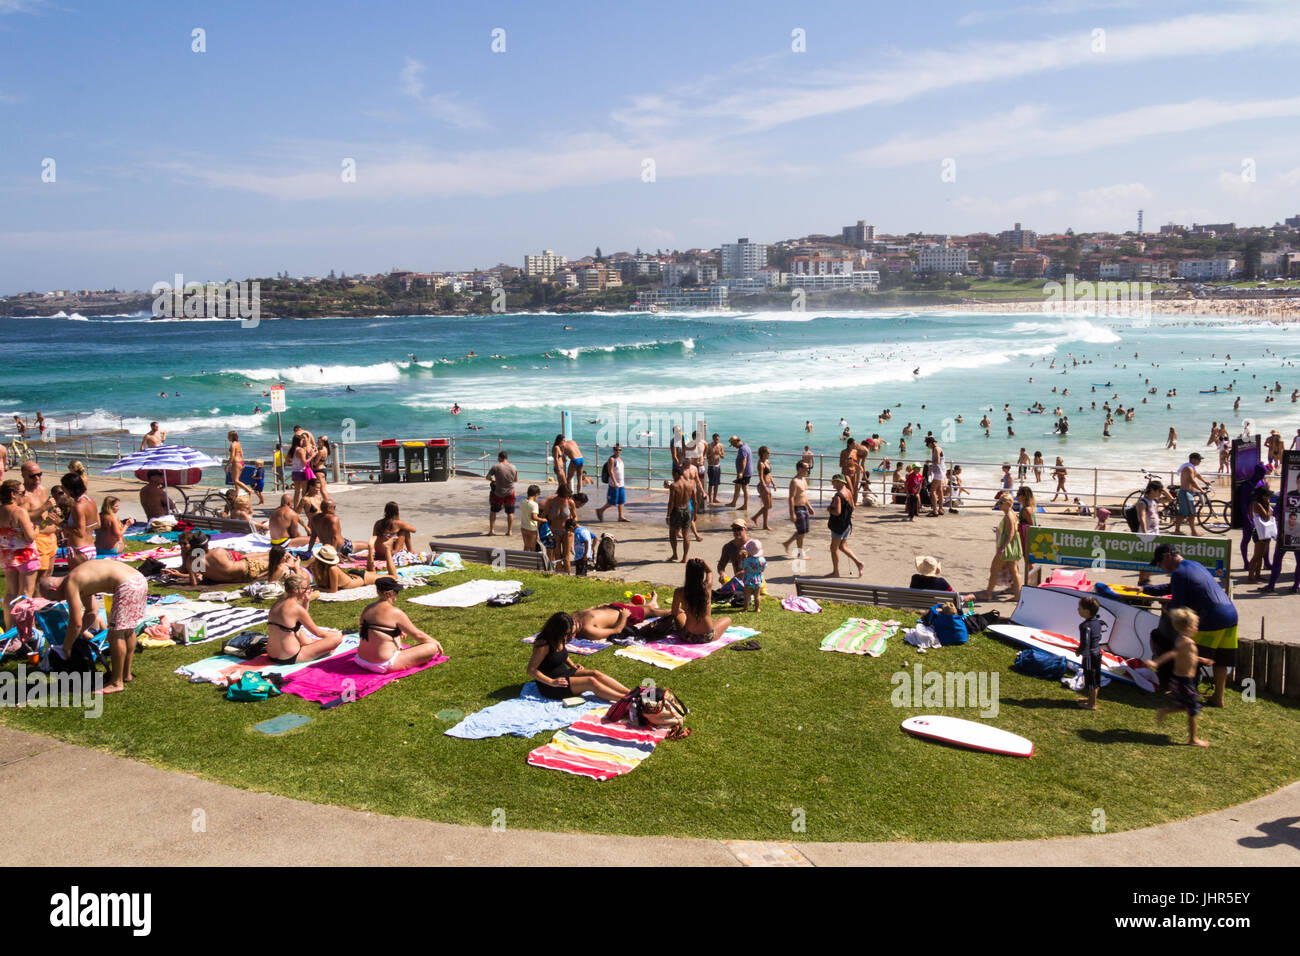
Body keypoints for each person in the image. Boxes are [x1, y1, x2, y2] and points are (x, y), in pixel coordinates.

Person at [1143, 543, 1238, 708]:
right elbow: (1170, 588)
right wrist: (1143, 589)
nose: (1160, 567)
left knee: (1189, 655)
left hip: (1211, 619)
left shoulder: (1179, 573)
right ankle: (1218, 697)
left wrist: (1167, 610)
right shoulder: (1195, 565)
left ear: (1168, 556)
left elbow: (1177, 606)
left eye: (1159, 563)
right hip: (1230, 614)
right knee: (1221, 660)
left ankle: (1187, 695)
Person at [41, 560, 147, 694]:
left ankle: (116, 682)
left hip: (126, 585)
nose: (57, 601)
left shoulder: (70, 583)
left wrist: (67, 646)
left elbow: (76, 622)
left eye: (53, 599)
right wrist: (80, 634)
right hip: (139, 579)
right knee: (127, 629)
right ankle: (126, 674)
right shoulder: (79, 577)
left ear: (52, 589)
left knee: (116, 633)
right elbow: (91, 612)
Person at [1143, 607, 1213, 747]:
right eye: (1195, 625)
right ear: (1188, 627)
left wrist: (1201, 659)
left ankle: (1164, 711)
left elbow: (1188, 655)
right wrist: (1156, 662)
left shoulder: (1181, 639)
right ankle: (1193, 739)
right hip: (1184, 681)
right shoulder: (1186, 642)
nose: (1197, 628)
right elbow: (1173, 654)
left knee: (1185, 706)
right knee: (1193, 709)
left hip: (1180, 680)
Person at [527, 611, 629, 701]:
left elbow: (562, 655)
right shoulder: (543, 645)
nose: (570, 637)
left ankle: (629, 693)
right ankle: (626, 700)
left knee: (595, 673)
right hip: (552, 685)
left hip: (564, 673)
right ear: (556, 630)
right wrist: (551, 682)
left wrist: (572, 666)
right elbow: (531, 670)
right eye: (567, 634)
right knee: (591, 682)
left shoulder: (560, 638)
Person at [357, 576, 444, 673]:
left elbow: (370, 630)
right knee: (431, 647)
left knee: (394, 633)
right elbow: (417, 635)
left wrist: (396, 632)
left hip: (361, 660)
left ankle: (396, 646)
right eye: (396, 592)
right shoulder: (395, 612)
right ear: (390, 594)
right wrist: (435, 643)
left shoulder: (367, 609)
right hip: (382, 664)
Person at [266, 571, 345, 664]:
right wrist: (334, 636)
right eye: (306, 588)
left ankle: (313, 647)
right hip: (290, 656)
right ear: (295, 590)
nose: (308, 590)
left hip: (272, 653)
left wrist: (306, 600)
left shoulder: (277, 604)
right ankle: (317, 648)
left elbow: (299, 621)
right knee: (337, 638)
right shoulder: (296, 608)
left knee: (299, 631)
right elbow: (318, 633)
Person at [0, 479, 39, 629]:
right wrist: (37, 528)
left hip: (6, 555)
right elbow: (29, 537)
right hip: (25, 555)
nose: (24, 495)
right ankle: (27, 630)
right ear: (12, 494)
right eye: (22, 493)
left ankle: (11, 628)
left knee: (10, 593)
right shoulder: (19, 512)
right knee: (26, 594)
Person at [670, 558, 732, 642]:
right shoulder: (707, 588)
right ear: (701, 574)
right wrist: (703, 562)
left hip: (688, 636)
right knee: (727, 619)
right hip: (707, 636)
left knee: (679, 614)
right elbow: (709, 572)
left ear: (687, 573)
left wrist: (682, 611)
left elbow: (674, 613)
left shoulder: (679, 592)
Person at [19, 461, 58, 583]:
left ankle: (44, 601)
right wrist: (44, 507)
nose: (37, 478)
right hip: (38, 538)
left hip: (51, 536)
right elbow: (22, 517)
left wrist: (53, 512)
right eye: (32, 476)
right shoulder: (23, 495)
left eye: (39, 474)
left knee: (49, 575)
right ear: (23, 476)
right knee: (40, 579)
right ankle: (36, 601)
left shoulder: (42, 489)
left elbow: (44, 513)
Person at [572, 595, 672, 641]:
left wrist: (598, 607)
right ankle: (677, 610)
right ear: (572, 636)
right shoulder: (588, 630)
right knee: (652, 612)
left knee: (638, 607)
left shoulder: (572, 617)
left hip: (610, 607)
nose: (576, 623)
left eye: (573, 623)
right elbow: (616, 630)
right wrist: (624, 617)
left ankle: (653, 603)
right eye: (574, 627)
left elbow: (589, 610)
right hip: (622, 614)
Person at [982, 494, 1023, 602]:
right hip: (1013, 547)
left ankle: (988, 594)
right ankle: (1018, 596)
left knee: (994, 569)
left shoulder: (1009, 516)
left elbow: (1011, 533)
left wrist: (1002, 548)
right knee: (1014, 572)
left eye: (1001, 502)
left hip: (1007, 547)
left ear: (1008, 504)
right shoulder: (1013, 513)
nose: (998, 504)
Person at [826, 474, 864, 578]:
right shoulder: (848, 492)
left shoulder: (838, 496)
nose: (833, 485)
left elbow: (837, 512)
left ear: (839, 482)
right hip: (847, 523)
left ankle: (836, 572)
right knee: (842, 546)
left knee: (833, 548)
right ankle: (858, 564)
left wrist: (830, 509)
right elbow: (853, 507)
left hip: (839, 525)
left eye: (834, 482)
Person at [1076, 596, 1108, 711]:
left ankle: (1091, 704)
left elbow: (1085, 643)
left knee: (1090, 679)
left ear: (1087, 611)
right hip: (1097, 653)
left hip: (1089, 655)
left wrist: (1078, 651)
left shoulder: (1085, 626)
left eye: (1079, 608)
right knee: (1096, 677)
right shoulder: (1098, 622)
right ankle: (1090, 699)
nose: (1077, 609)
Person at [60, 472, 99, 568]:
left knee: (75, 581)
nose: (63, 490)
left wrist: (61, 524)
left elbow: (80, 533)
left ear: (70, 489)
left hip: (78, 549)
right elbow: (98, 524)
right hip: (90, 547)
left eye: (63, 488)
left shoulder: (78, 506)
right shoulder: (91, 502)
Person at [371, 502, 416, 576]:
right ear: (397, 512)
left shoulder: (378, 523)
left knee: (400, 530)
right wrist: (399, 519)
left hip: (379, 553)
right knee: (404, 530)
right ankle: (411, 550)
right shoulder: (397, 523)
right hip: (391, 553)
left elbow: (374, 537)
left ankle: (410, 550)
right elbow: (414, 530)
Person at [1174, 452, 1212, 537]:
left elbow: (1198, 475)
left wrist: (1205, 481)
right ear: (1193, 459)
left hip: (1186, 493)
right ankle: (1194, 532)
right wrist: (1201, 490)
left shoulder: (1191, 468)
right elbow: (1192, 481)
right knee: (1192, 514)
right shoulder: (1188, 468)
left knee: (1182, 513)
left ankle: (1177, 530)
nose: (1200, 462)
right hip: (1186, 494)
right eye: (1199, 460)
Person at [782, 459, 814, 557]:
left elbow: (803, 495)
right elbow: (791, 497)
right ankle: (800, 554)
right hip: (797, 509)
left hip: (804, 507)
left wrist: (809, 507)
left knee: (803, 531)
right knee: (801, 533)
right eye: (806, 468)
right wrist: (792, 513)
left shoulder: (803, 480)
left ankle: (787, 543)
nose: (808, 470)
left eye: (808, 468)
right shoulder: (794, 481)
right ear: (800, 469)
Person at [486, 450, 518, 536]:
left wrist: (494, 480)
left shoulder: (496, 467)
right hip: (510, 492)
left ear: (500, 458)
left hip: (498, 492)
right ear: (506, 458)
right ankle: (509, 531)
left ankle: (492, 530)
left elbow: (488, 477)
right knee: (510, 512)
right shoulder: (513, 467)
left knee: (493, 511)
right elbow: (516, 480)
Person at [1247, 485, 1275, 583]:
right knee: (1257, 556)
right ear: (1262, 496)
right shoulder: (1257, 504)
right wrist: (1267, 506)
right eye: (1267, 496)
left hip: (1264, 532)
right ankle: (1251, 576)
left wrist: (1268, 507)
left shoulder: (1259, 504)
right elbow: (1267, 517)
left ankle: (1258, 575)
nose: (1268, 498)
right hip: (1260, 533)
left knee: (1261, 555)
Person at [666, 465, 693, 563]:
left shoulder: (674, 485)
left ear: (677, 473)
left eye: (673, 474)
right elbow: (695, 501)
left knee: (672, 534)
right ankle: (685, 557)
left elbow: (671, 502)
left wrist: (668, 515)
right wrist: (695, 513)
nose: (673, 476)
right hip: (687, 510)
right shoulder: (690, 484)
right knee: (686, 535)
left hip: (677, 510)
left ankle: (675, 554)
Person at [226, 430, 260, 505]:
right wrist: (242, 463)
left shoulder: (233, 445)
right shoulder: (238, 443)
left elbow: (231, 457)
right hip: (241, 462)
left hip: (236, 462)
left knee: (235, 480)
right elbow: (241, 453)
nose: (227, 437)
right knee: (236, 481)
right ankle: (237, 495)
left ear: (231, 437)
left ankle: (248, 490)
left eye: (228, 436)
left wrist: (227, 465)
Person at [596, 444, 628, 522]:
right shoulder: (612, 459)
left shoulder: (620, 459)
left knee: (621, 501)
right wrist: (615, 482)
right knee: (611, 502)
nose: (618, 451)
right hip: (614, 484)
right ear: (613, 450)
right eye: (616, 450)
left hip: (621, 484)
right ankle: (600, 510)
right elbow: (610, 471)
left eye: (620, 450)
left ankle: (621, 516)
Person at [727, 435, 754, 511]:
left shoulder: (743, 449)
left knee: (745, 489)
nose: (734, 447)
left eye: (734, 444)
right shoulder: (745, 446)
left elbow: (744, 460)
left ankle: (745, 506)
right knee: (737, 487)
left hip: (744, 473)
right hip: (744, 472)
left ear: (736, 441)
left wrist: (741, 472)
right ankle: (733, 503)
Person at [751, 445, 775, 531]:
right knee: (767, 506)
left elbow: (769, 474)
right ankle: (765, 525)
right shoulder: (760, 463)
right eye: (768, 452)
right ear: (763, 453)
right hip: (762, 486)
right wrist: (765, 487)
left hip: (768, 485)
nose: (769, 454)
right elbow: (761, 477)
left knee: (769, 506)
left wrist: (773, 483)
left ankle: (755, 517)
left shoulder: (767, 461)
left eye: (769, 452)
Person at [1016, 485, 1036, 581]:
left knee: (1028, 561)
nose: (1016, 496)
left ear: (1024, 496)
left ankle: (1033, 582)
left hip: (1026, 539)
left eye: (1018, 494)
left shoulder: (1026, 510)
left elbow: (1032, 526)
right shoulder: (1026, 508)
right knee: (1027, 561)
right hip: (1025, 538)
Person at [741, 538, 766, 611]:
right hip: (758, 580)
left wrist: (743, 558)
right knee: (757, 596)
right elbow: (763, 568)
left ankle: (745, 609)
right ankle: (757, 609)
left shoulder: (747, 560)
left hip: (748, 580)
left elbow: (741, 566)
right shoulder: (762, 560)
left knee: (747, 596)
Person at [519, 484, 542, 552]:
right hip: (532, 528)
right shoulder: (534, 504)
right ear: (536, 494)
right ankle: (532, 561)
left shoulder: (522, 502)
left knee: (526, 546)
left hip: (523, 527)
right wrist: (543, 520)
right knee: (532, 547)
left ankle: (524, 560)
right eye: (538, 495)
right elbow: (534, 517)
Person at [706, 434, 724, 504]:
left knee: (717, 484)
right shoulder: (709, 445)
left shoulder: (720, 446)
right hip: (711, 466)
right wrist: (711, 454)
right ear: (713, 438)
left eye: (717, 439)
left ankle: (715, 498)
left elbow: (723, 456)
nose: (716, 440)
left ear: (719, 439)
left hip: (718, 466)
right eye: (715, 439)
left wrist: (719, 453)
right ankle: (710, 499)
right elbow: (706, 456)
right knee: (711, 484)